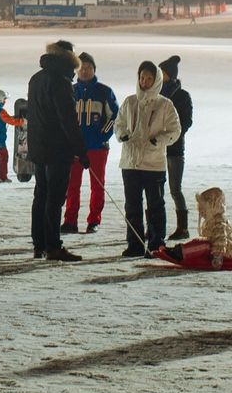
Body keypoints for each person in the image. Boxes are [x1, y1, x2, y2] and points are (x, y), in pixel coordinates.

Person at [27, 40, 90, 262]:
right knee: (54, 199)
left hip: (39, 148)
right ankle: (53, 246)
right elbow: (68, 120)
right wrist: (81, 151)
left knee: (41, 196)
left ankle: (39, 244)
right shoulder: (61, 83)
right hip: (57, 151)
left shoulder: (36, 78)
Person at [114, 61, 181, 257]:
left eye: (149, 78)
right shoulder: (129, 102)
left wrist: (158, 141)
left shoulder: (164, 104)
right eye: (142, 78)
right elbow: (118, 124)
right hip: (130, 163)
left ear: (156, 80)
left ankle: (156, 244)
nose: (144, 82)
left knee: (156, 206)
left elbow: (174, 130)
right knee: (132, 206)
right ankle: (134, 244)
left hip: (153, 165)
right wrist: (122, 135)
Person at [61, 52, 119, 234]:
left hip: (97, 147)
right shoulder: (70, 90)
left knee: (97, 185)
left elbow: (115, 116)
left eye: (88, 68)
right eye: (81, 68)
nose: (84, 71)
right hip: (74, 147)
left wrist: (103, 137)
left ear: (94, 69)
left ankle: (94, 220)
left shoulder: (104, 91)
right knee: (72, 185)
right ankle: (70, 220)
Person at [159, 55, 193, 240]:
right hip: (156, 150)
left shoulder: (181, 95)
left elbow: (186, 122)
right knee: (154, 189)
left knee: (174, 189)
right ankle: (155, 227)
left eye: (161, 72)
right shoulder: (156, 95)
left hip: (174, 150)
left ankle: (183, 227)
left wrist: (171, 135)